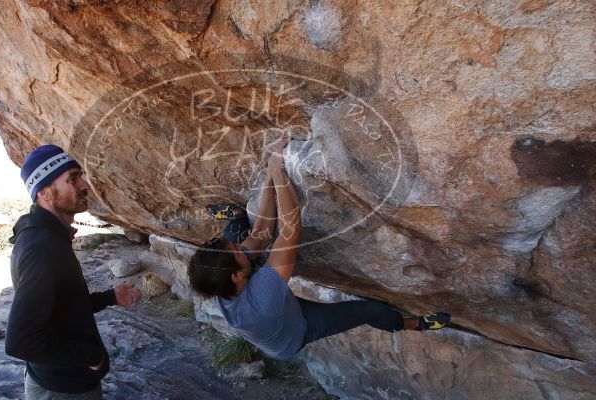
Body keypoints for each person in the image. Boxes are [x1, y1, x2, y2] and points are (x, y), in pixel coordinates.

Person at [188, 135, 450, 361]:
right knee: (371, 310)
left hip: (271, 305)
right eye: (236, 251)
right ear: (236, 276)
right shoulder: (261, 299)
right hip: (295, 330)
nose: (239, 248)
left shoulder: (222, 282)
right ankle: (412, 324)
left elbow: (261, 234)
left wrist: (269, 175)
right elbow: (291, 229)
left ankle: (234, 214)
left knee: (239, 226)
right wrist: (280, 173)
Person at [5, 144, 142, 400]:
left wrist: (107, 298)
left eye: (80, 176)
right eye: (72, 179)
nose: (84, 185)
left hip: (60, 386)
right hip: (63, 393)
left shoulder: (49, 237)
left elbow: (61, 306)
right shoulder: (43, 248)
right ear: (44, 193)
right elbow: (20, 340)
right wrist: (89, 357)